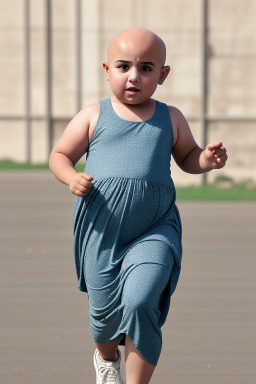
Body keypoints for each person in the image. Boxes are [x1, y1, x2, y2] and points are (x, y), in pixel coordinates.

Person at [49, 27, 227, 384]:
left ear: (162, 75)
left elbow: (188, 157)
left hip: (155, 228)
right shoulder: (93, 115)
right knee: (104, 318)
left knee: (142, 299)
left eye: (147, 68)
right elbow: (60, 155)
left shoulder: (170, 117)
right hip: (102, 230)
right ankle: (106, 358)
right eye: (123, 66)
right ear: (107, 70)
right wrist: (71, 177)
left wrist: (205, 160)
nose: (134, 76)